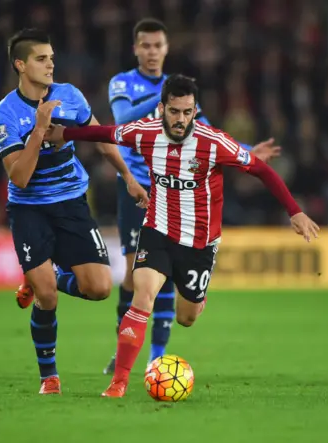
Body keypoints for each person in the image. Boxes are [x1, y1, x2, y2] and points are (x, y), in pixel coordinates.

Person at [44, 74, 320, 397]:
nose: (181, 119)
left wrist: (294, 210)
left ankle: (194, 299)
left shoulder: (213, 142)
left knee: (186, 317)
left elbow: (260, 168)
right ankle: (118, 383)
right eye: (174, 111)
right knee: (141, 298)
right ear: (162, 108)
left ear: (194, 111)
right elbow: (105, 132)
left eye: (187, 112)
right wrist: (64, 133)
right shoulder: (145, 134)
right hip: (157, 229)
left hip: (199, 243)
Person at [104, 18, 282, 373]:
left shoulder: (181, 98)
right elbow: (122, 120)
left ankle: (156, 353)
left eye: (158, 46)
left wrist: (247, 150)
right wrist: (164, 96)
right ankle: (123, 343)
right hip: (137, 188)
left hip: (173, 191)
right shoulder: (123, 83)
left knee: (166, 274)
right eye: (146, 45)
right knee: (131, 277)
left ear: (166, 49)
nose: (153, 52)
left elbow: (208, 134)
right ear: (136, 48)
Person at [0, 28, 148, 395]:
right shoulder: (5, 114)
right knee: (48, 297)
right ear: (20, 64)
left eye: (51, 58)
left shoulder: (70, 96)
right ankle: (50, 376)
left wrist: (127, 176)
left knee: (99, 289)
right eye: (41, 59)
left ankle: (42, 275)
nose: (50, 65)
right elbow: (20, 177)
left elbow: (100, 136)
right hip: (30, 209)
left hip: (72, 203)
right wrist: (40, 130)